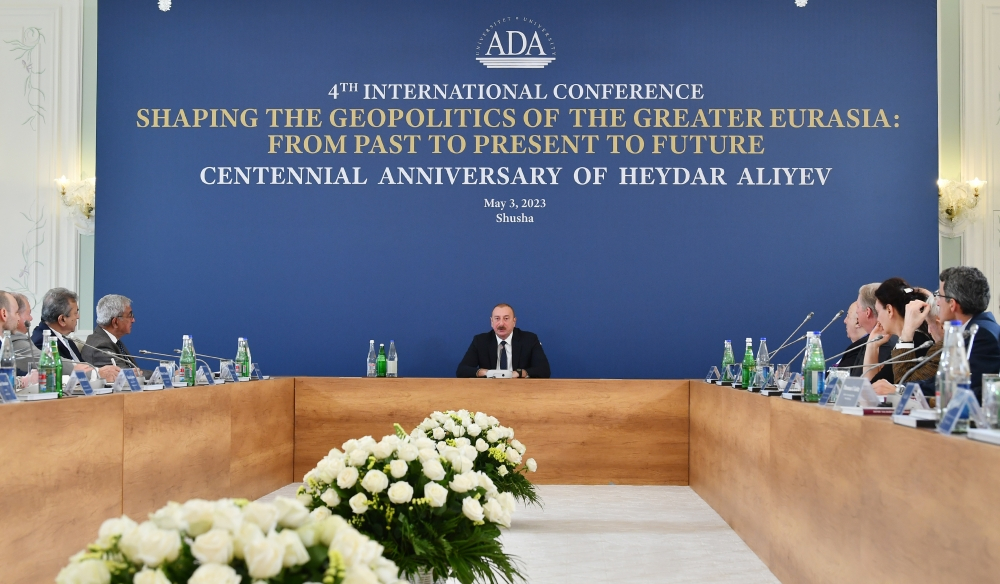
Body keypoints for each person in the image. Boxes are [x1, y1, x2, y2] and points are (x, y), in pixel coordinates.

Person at [925, 266, 1000, 402]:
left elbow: (954, 387)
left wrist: (898, 390)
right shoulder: (974, 328)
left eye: (939, 296)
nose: (937, 302)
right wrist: (899, 388)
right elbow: (940, 381)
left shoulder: (981, 334)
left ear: (952, 304)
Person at [31, 288, 119, 382]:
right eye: (75, 312)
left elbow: (83, 368)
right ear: (62, 320)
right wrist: (98, 373)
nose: (78, 316)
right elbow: (58, 375)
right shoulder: (41, 342)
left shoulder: (66, 339)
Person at [863, 279, 934, 391]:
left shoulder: (917, 342)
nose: (878, 319)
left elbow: (870, 389)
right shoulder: (911, 340)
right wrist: (872, 346)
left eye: (878, 312)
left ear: (889, 310)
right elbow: (874, 387)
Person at [457, 303, 550, 378]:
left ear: (514, 321)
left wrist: (520, 373)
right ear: (491, 322)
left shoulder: (529, 339)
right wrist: (485, 373)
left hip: (520, 389)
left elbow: (544, 370)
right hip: (489, 390)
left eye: (506, 319)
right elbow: (462, 370)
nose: (501, 324)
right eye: (497, 319)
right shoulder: (480, 341)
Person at [843, 283, 896, 381]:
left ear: (868, 312)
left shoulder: (884, 342)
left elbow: (867, 384)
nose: (857, 312)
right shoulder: (870, 339)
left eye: (858, 307)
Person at [83, 294, 142, 371]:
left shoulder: (112, 341)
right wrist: (157, 374)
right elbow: (128, 374)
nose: (133, 320)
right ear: (115, 322)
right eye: (130, 315)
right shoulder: (100, 347)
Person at [834, 302, 867, 374]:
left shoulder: (859, 348)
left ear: (858, 322)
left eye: (848, 316)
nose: (845, 321)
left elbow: (838, 378)